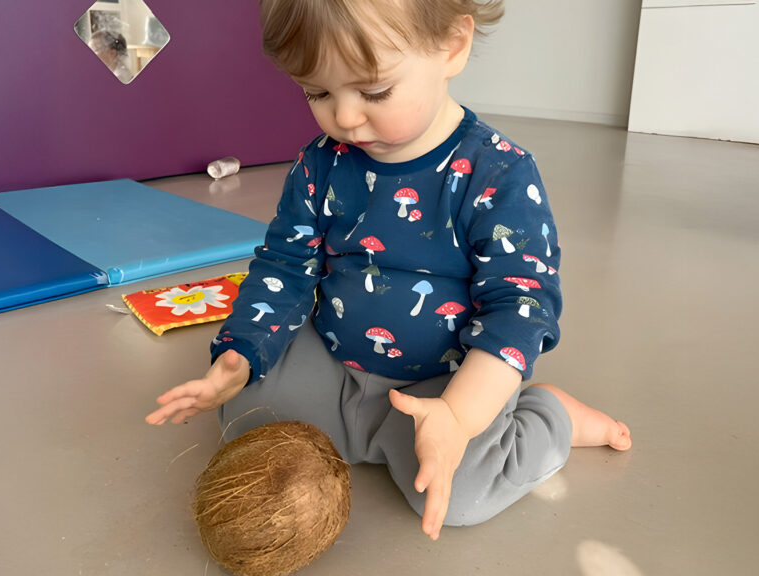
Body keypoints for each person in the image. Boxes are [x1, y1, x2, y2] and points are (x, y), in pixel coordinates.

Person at [146, 0, 631, 541]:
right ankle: (358, 428)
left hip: (443, 381)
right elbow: (285, 264)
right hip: (333, 355)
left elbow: (520, 306)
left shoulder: (499, 172)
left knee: (462, 497)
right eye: (318, 93)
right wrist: (241, 352)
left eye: (374, 91)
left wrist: (460, 417)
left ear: (451, 46)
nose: (346, 118)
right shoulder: (320, 163)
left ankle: (550, 417)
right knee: (244, 414)